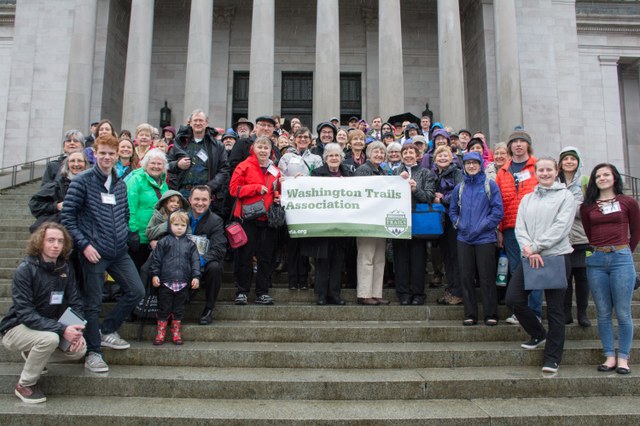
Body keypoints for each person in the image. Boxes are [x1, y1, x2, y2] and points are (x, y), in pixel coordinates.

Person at [61, 133, 145, 373]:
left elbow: (124, 213)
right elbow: (67, 217)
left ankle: (107, 329)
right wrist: (85, 245)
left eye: (111, 153)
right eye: (103, 153)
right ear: (95, 154)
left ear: (117, 155)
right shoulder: (82, 181)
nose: (107, 157)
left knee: (136, 290)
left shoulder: (119, 182)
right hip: (94, 252)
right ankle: (93, 353)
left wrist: (124, 236)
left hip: (118, 251)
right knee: (93, 303)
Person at [0, 222, 86, 403]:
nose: (56, 245)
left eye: (60, 241)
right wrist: (62, 330)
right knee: (50, 339)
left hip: (48, 325)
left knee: (79, 349)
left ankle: (33, 352)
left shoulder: (65, 268)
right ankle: (25, 384)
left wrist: (76, 329)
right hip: (17, 328)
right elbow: (25, 313)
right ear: (40, 242)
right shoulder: (25, 270)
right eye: (51, 240)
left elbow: (75, 301)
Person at [505, 157, 575, 373]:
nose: (544, 173)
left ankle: (552, 357)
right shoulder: (528, 198)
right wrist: (528, 248)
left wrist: (536, 247)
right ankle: (538, 333)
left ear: (556, 172)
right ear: (535, 172)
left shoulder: (566, 196)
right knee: (513, 299)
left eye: (548, 170)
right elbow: (520, 227)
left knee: (555, 310)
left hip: (555, 256)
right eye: (541, 170)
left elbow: (561, 227)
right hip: (530, 256)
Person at [580, 163, 640, 375]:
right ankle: (609, 356)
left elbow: (636, 230)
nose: (602, 178)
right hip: (596, 259)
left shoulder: (628, 202)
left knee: (623, 312)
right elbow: (589, 232)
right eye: (598, 175)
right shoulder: (588, 206)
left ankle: (623, 357)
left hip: (621, 258)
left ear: (615, 177)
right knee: (603, 312)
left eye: (606, 174)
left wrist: (624, 251)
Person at [449, 152, 504, 325]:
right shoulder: (460, 188)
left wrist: (484, 226)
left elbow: (497, 211)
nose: (471, 166)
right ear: (463, 166)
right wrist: (458, 224)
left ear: (480, 165)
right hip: (464, 238)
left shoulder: (490, 185)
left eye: (474, 163)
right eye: (468, 163)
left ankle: (491, 314)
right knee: (466, 276)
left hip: (485, 238)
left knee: (486, 276)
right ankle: (470, 313)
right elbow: (452, 211)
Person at [229, 136, 281, 305]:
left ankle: (262, 292)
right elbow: (233, 190)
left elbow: (278, 190)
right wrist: (255, 189)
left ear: (271, 151)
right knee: (245, 256)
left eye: (266, 147)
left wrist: (278, 197)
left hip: (267, 219)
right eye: (260, 147)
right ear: (253, 149)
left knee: (266, 257)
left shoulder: (275, 170)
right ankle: (242, 291)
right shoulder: (243, 166)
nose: (263, 150)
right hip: (247, 218)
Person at [496, 130, 539, 324]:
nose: (518, 145)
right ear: (510, 146)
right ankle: (520, 311)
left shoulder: (537, 167)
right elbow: (498, 202)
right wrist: (499, 229)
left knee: (534, 269)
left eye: (522, 141)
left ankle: (535, 312)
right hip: (511, 227)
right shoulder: (503, 171)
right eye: (515, 142)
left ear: (528, 145)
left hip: (534, 227)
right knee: (516, 270)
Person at [304, 143, 354, 305]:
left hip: (341, 226)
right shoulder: (317, 174)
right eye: (331, 156)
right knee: (322, 261)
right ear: (325, 158)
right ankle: (321, 295)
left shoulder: (348, 174)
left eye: (337, 156)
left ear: (341, 158)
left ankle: (335, 294)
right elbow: (308, 193)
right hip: (323, 225)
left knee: (338, 261)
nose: (334, 158)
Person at [278, 127, 323, 290]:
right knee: (292, 245)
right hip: (291, 206)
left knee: (305, 246)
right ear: (294, 139)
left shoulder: (316, 158)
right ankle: (292, 280)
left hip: (308, 207)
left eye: (306, 137)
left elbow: (320, 179)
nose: (303, 139)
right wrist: (292, 179)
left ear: (310, 140)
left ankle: (303, 280)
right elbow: (280, 178)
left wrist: (307, 180)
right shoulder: (286, 157)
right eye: (300, 137)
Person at [393, 143, 436, 305]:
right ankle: (403, 293)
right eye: (405, 152)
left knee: (418, 259)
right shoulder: (395, 172)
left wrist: (416, 189)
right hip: (399, 221)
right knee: (400, 259)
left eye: (412, 152)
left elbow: (430, 196)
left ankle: (418, 293)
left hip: (419, 221)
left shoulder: (426, 173)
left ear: (418, 155)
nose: (408, 155)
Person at [149, 211, 200, 345]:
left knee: (179, 309)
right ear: (169, 225)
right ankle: (161, 332)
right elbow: (156, 260)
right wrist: (155, 274)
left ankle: (176, 332)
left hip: (183, 283)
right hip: (166, 282)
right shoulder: (163, 242)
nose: (179, 228)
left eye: (182, 225)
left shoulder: (190, 244)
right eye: (176, 224)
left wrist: (196, 276)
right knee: (164, 308)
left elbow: (195, 262)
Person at [168, 109, 230, 214]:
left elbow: (224, 169)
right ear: (190, 123)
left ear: (206, 123)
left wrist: (210, 186)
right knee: (182, 226)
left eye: (201, 120)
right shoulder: (180, 142)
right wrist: (177, 164)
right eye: (195, 120)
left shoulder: (217, 145)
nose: (198, 123)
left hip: (205, 194)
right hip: (183, 193)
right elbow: (167, 165)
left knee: (202, 226)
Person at [558, 147, 591, 327]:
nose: (569, 162)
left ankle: (582, 312)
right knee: (565, 277)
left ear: (578, 161)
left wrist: (568, 207)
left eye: (572, 158)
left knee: (582, 277)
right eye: (565, 159)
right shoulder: (556, 181)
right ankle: (566, 313)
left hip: (581, 235)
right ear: (560, 162)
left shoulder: (585, 182)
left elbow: (589, 208)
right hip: (562, 237)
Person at [355, 141, 389, 305]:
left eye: (382, 152)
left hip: (380, 221)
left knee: (379, 258)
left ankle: (376, 292)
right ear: (368, 154)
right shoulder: (363, 170)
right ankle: (364, 293)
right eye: (376, 152)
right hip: (366, 221)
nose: (379, 155)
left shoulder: (382, 171)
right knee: (366, 257)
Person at [185, 186, 226, 324]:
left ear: (210, 201)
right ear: (189, 200)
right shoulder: (181, 216)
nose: (200, 203)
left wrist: (198, 262)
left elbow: (219, 249)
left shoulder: (216, 221)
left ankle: (208, 309)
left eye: (204, 199)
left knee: (215, 267)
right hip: (181, 259)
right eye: (196, 199)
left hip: (204, 260)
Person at [125, 148, 169, 270]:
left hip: (155, 236)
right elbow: (129, 207)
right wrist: (133, 232)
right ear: (145, 164)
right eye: (152, 163)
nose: (156, 166)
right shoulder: (136, 180)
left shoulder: (164, 184)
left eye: (159, 163)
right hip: (138, 237)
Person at [432, 145, 464, 305]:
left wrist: (443, 198)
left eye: (445, 156)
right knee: (446, 256)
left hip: (453, 220)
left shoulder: (457, 173)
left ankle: (458, 291)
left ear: (451, 158)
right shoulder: (433, 174)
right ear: (434, 159)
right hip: (439, 220)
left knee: (454, 256)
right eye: (439, 156)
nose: (442, 158)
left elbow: (460, 193)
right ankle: (451, 289)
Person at [30, 152, 89, 232]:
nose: (76, 164)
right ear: (67, 164)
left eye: (79, 161)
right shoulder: (56, 186)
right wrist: (56, 206)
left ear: (85, 164)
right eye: (72, 161)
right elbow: (35, 204)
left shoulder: (93, 185)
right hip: (61, 230)